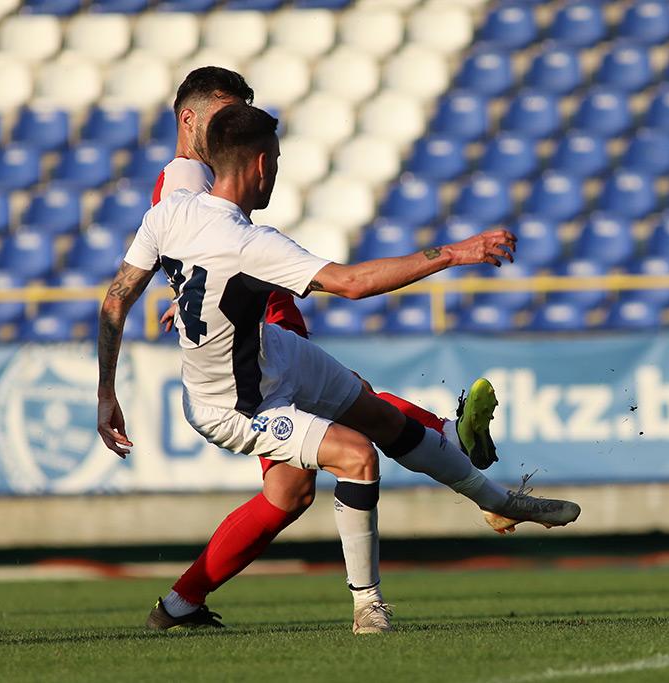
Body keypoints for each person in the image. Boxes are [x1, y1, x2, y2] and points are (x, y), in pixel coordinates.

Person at [97, 104, 580, 634]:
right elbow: (353, 284)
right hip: (233, 405)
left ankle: (497, 499)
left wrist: (106, 395)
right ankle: (367, 607)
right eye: (276, 162)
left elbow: (117, 300)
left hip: (272, 352)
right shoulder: (249, 242)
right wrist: (453, 253)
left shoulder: (167, 211)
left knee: (379, 418)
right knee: (355, 456)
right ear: (261, 164)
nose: (276, 173)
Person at [141, 67, 499, 631]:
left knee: (294, 480)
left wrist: (186, 297)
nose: (240, 125)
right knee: (332, 439)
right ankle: (451, 448)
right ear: (191, 121)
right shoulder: (185, 173)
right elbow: (185, 250)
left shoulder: (194, 176)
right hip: (253, 330)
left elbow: (184, 255)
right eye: (228, 114)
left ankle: (181, 604)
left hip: (257, 310)